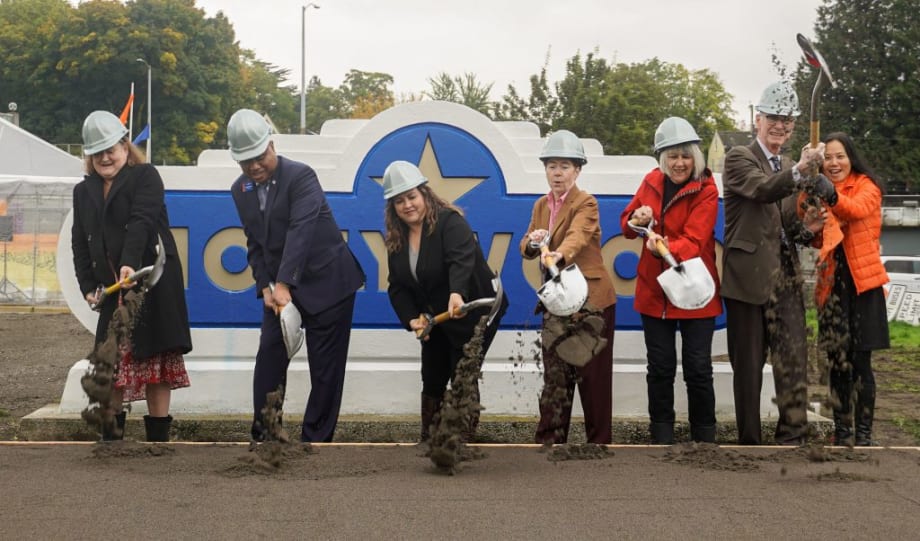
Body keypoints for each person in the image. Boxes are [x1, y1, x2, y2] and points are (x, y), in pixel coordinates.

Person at [227, 108, 365, 443]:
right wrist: (264, 286)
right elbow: (254, 242)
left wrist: (284, 283)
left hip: (328, 282)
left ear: (271, 145)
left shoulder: (301, 176)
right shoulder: (240, 190)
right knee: (269, 357)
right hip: (278, 289)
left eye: (259, 157)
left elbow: (299, 232)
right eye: (246, 161)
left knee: (325, 369)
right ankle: (266, 435)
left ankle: (315, 441)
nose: (254, 166)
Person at [722, 81, 836, 445]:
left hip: (785, 277)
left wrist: (806, 229)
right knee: (750, 367)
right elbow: (763, 189)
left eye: (787, 121)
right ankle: (750, 444)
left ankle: (792, 437)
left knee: (793, 359)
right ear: (758, 118)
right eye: (774, 117)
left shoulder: (789, 164)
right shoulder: (739, 157)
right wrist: (802, 171)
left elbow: (784, 228)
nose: (780, 126)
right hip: (747, 278)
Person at [71, 110, 191, 442]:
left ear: (126, 146)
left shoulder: (146, 177)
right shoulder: (83, 192)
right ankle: (111, 438)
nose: (105, 157)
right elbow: (80, 241)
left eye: (111, 149)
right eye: (97, 152)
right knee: (109, 365)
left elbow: (141, 222)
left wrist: (128, 263)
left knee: (156, 360)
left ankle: (158, 440)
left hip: (151, 282)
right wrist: (86, 285)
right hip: (114, 291)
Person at [382, 160, 508, 442]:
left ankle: (461, 441)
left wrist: (457, 293)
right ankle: (430, 438)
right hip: (437, 315)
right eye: (399, 201)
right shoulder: (397, 239)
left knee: (461, 369)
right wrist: (411, 318)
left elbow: (460, 261)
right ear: (393, 207)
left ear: (425, 194)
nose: (407, 205)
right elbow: (398, 286)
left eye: (412, 196)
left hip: (475, 309)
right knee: (432, 371)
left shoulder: (451, 222)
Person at [620, 117, 721, 444]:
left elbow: (694, 240)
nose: (679, 163)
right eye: (672, 156)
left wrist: (660, 245)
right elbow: (626, 224)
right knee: (660, 367)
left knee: (698, 369)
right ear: (662, 158)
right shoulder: (650, 181)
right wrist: (638, 220)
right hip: (654, 291)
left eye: (685, 155)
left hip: (695, 289)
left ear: (696, 156)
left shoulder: (707, 188)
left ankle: (704, 438)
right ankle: (660, 434)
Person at [521, 130, 617, 445]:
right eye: (552, 165)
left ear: (577, 171)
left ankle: (598, 443)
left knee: (593, 378)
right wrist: (534, 244)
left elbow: (578, 235)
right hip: (557, 301)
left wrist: (558, 253)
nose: (557, 172)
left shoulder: (585, 202)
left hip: (592, 302)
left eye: (564, 166)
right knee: (555, 375)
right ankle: (549, 441)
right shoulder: (540, 206)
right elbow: (526, 243)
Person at [812, 132, 889, 446]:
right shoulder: (821, 189)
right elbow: (816, 232)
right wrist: (810, 195)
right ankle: (842, 433)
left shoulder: (868, 187)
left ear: (851, 158)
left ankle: (864, 434)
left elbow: (854, 210)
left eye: (839, 156)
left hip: (863, 288)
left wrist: (829, 194)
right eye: (827, 157)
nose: (833, 163)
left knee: (860, 364)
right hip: (832, 288)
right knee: (837, 363)